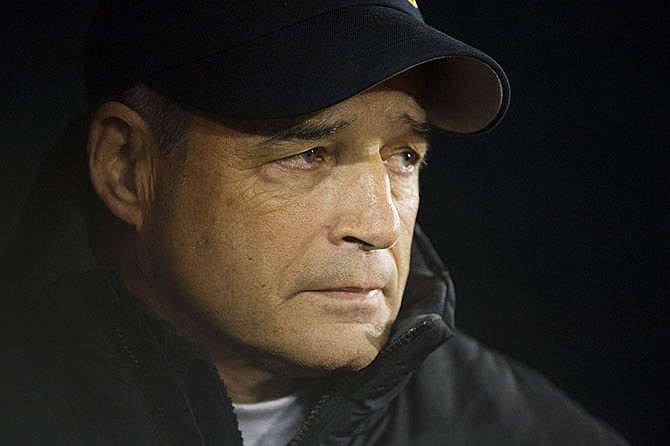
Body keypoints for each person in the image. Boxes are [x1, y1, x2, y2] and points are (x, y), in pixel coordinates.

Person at [1, 1, 628, 445]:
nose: (380, 225)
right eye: (306, 154)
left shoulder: (522, 431)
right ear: (126, 166)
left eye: (404, 156)